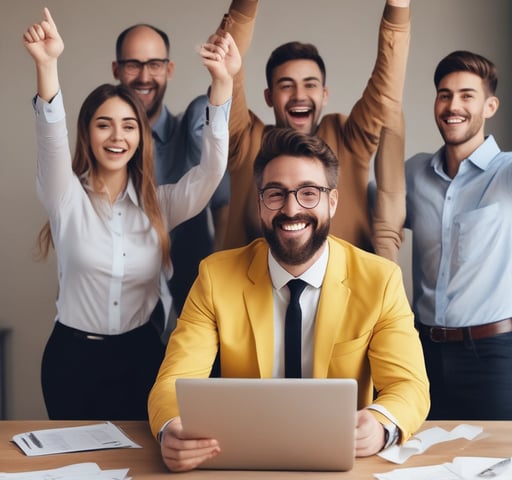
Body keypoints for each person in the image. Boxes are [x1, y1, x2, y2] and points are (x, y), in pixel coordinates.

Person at [148, 128, 429, 472]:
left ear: (333, 201)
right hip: (244, 463)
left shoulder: (380, 280)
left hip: (343, 466)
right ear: (260, 203)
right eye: (276, 194)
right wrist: (171, 428)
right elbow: (173, 381)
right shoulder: (215, 277)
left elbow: (409, 385)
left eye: (309, 193)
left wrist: (381, 424)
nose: (291, 209)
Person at [23, 8, 240, 420]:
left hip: (143, 357)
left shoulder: (162, 204)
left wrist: (222, 82)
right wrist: (47, 64)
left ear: (141, 137)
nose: (117, 136)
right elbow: (49, 134)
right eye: (104, 125)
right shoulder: (64, 196)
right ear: (87, 133)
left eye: (128, 126)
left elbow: (211, 171)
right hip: (73, 361)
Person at [405, 50, 512, 420]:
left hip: (495, 358)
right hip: (422, 354)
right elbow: (366, 217)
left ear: (490, 106)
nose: (452, 105)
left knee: (503, 471)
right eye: (444, 94)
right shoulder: (413, 173)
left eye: (466, 95)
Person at [215, 0, 410, 262]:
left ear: (324, 94)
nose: (299, 96)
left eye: (310, 85)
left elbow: (386, 90)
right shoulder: (246, 139)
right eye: (286, 86)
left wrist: (398, 6)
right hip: (252, 293)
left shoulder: (348, 138)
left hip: (346, 295)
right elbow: (229, 72)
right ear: (269, 96)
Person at [112, 23, 231, 337]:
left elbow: (222, 205)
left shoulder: (191, 127)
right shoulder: (104, 145)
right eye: (133, 64)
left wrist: (217, 285)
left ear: (169, 69)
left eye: (154, 65)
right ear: (116, 69)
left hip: (192, 290)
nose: (144, 76)